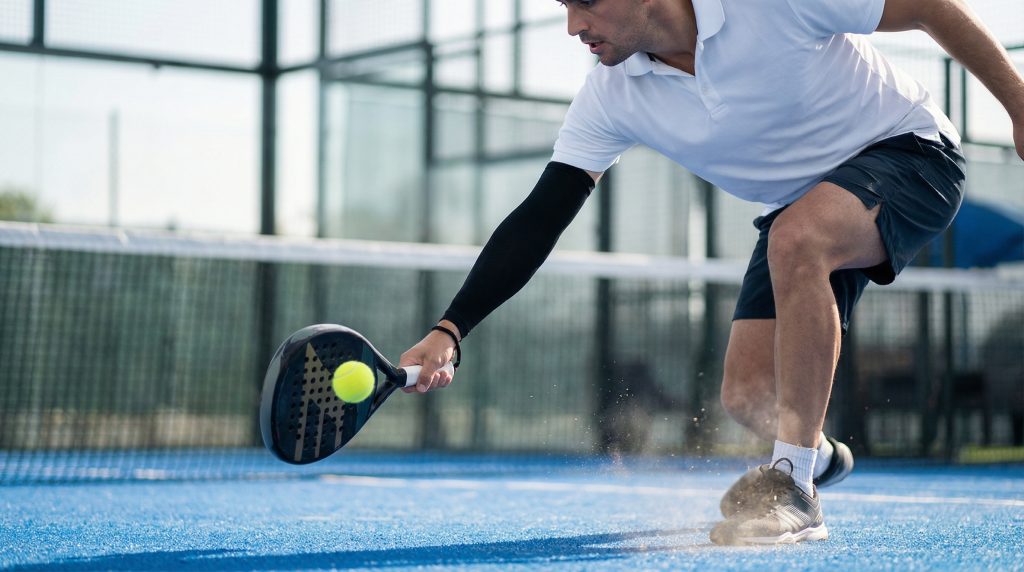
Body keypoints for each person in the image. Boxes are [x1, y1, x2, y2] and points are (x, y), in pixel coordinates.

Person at [398, 0, 1024, 545]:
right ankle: (821, 455)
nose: (573, 26)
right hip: (799, 205)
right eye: (564, 6)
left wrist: (1019, 107)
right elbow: (539, 219)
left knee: (797, 240)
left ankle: (795, 488)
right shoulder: (609, 95)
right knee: (748, 396)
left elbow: (929, 7)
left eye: (586, 2)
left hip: (912, 154)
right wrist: (451, 328)